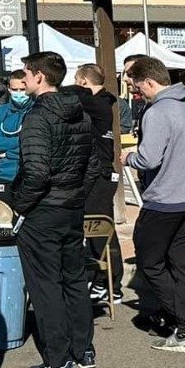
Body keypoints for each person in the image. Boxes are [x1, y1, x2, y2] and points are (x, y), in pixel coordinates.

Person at [13, 51, 101, 368]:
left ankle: (58, 358)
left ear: (40, 76)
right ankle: (83, 348)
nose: (23, 80)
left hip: (45, 209)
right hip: (70, 206)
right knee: (74, 278)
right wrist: (77, 194)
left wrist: (20, 204)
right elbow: (93, 165)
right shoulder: (80, 114)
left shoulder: (38, 117)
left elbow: (36, 172)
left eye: (26, 74)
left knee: (46, 284)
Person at [123, 55, 185, 352]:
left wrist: (127, 157)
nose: (138, 94)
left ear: (149, 82)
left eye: (138, 88)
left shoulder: (157, 112)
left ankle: (184, 322)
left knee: (150, 261)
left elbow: (148, 158)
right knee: (182, 263)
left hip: (165, 201)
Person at [68, 64, 125, 303]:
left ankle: (111, 284)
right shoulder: (99, 101)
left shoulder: (98, 103)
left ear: (82, 82)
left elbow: (69, 95)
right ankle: (101, 281)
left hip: (100, 175)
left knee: (100, 230)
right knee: (93, 232)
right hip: (94, 174)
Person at [0, 69, 33, 204]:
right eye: (15, 89)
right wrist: (21, 142)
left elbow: (35, 144)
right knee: (0, 216)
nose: (19, 94)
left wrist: (8, 152)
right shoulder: (0, 112)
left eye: (22, 89)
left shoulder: (36, 111)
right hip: (5, 174)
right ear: (9, 89)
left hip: (29, 176)